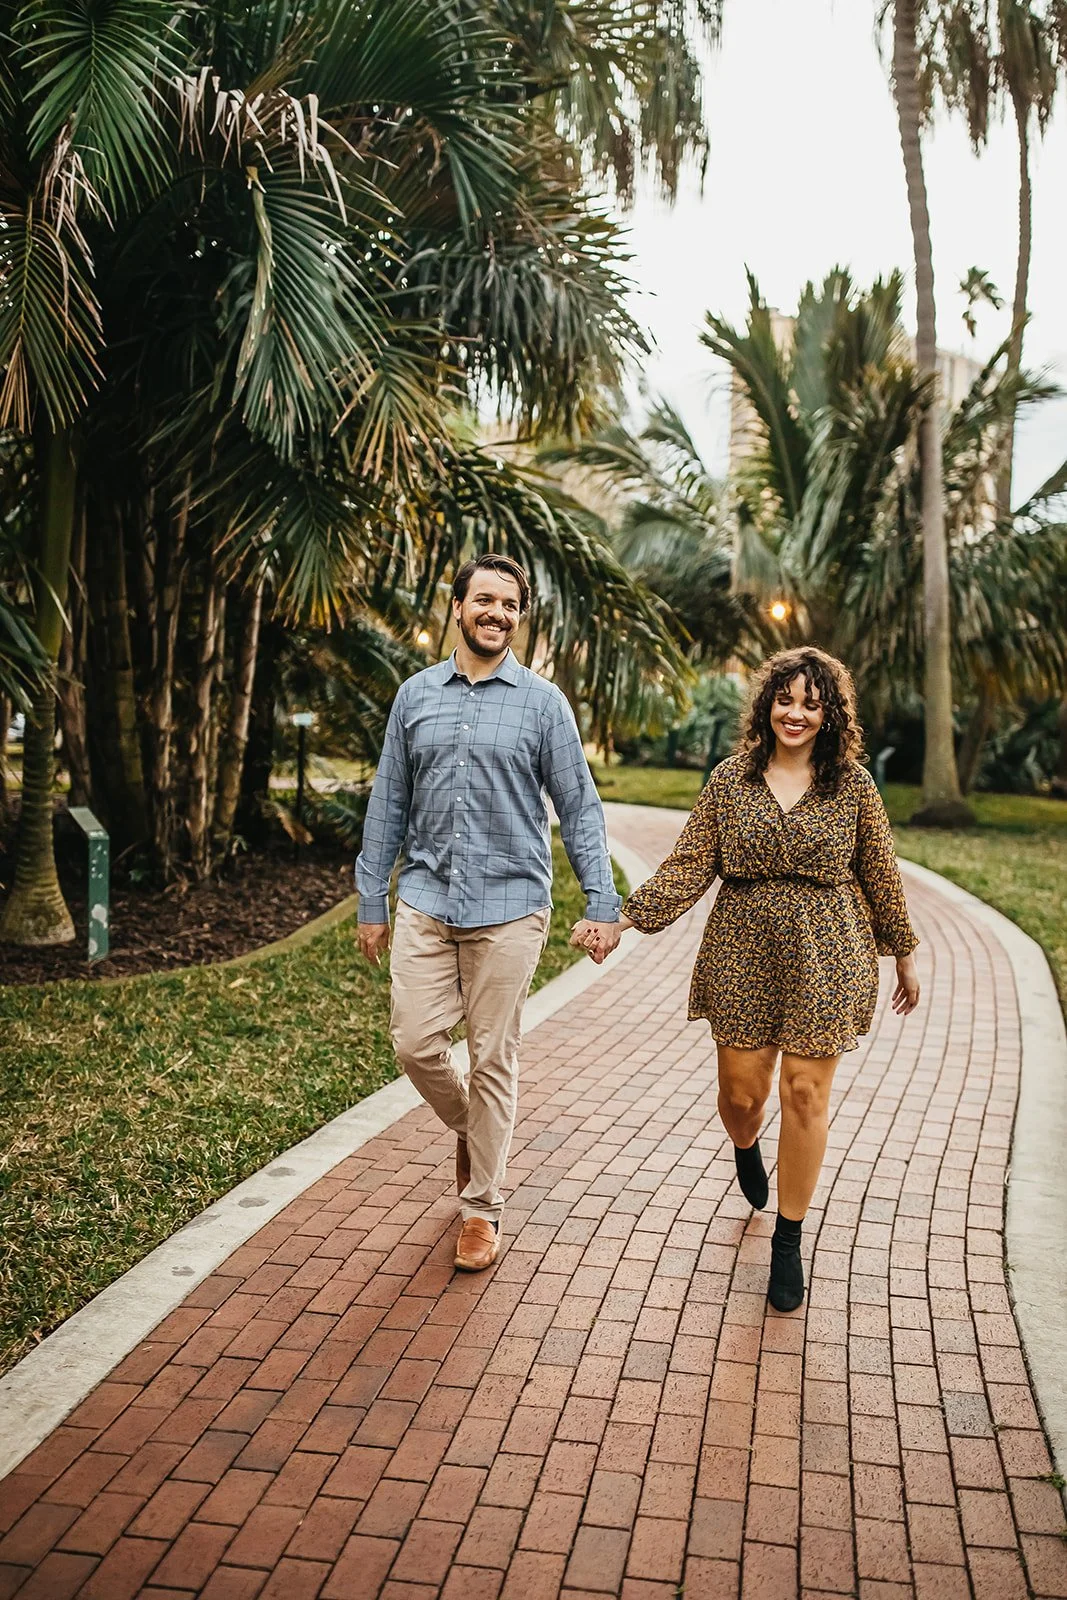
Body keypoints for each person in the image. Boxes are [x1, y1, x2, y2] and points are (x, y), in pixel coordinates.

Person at [573, 647, 920, 1312]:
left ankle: (787, 1240)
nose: (795, 714)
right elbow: (687, 864)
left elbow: (879, 870)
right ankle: (744, 1144)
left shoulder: (851, 786)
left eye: (809, 704)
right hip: (742, 949)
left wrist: (902, 950)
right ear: (767, 705)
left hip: (828, 949)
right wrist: (622, 922)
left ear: (829, 715)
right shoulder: (731, 780)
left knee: (804, 1093)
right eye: (784, 700)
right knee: (740, 1095)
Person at [356, 553, 622, 1271]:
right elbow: (389, 804)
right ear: (456, 607)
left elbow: (579, 807)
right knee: (414, 1044)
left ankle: (481, 1209)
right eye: (484, 599)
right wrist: (369, 897)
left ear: (518, 616)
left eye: (508, 604)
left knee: (494, 1057)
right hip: (425, 900)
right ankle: (477, 1136)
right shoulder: (414, 696)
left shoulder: (543, 704)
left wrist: (602, 900)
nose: (495, 613)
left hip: (510, 907)